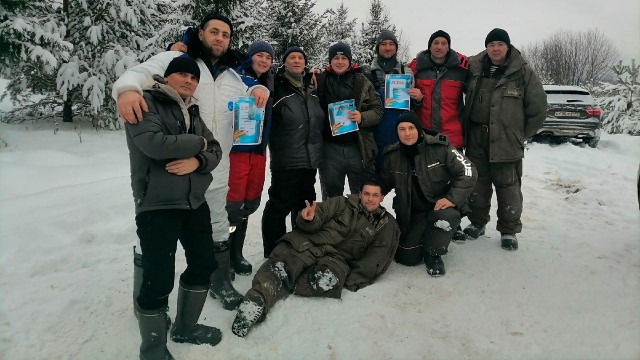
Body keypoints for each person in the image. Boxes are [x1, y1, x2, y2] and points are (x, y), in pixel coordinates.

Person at [113, 13, 269, 310]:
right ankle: (145, 297)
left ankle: (219, 281)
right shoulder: (178, 61)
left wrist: (257, 89)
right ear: (201, 34)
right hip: (166, 173)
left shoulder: (232, 75)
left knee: (218, 225)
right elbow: (139, 73)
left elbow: (248, 91)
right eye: (214, 31)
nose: (220, 38)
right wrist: (127, 90)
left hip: (213, 167)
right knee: (155, 238)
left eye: (225, 34)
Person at [125, 57, 223, 359]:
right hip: (157, 204)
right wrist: (198, 143)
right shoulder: (145, 103)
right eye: (182, 74)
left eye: (193, 78)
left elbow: (216, 149)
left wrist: (198, 160)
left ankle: (185, 327)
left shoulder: (192, 110)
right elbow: (154, 144)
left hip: (194, 202)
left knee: (204, 263)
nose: (189, 81)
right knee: (158, 277)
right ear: (166, 78)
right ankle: (153, 349)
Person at [232, 180, 400, 337]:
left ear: (382, 197)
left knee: (326, 281)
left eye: (375, 195)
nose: (370, 199)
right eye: (366, 194)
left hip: (337, 260)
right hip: (310, 243)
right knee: (280, 266)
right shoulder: (342, 203)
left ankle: (285, 281)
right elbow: (317, 213)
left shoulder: (385, 224)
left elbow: (377, 257)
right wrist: (309, 218)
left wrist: (353, 280)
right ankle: (256, 301)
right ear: (360, 194)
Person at [461, 28, 547, 250]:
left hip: (506, 139)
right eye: (491, 45)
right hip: (476, 137)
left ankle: (509, 230)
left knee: (508, 186)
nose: (495, 49)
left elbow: (538, 109)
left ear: (507, 47)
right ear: (486, 48)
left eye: (500, 44)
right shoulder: (474, 68)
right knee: (477, 183)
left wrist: (520, 135)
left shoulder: (522, 72)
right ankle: (477, 222)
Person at [381, 112, 477, 276]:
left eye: (411, 128)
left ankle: (434, 253)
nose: (407, 133)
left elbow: (468, 170)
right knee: (407, 258)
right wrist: (374, 195)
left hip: (440, 207)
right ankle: (423, 235)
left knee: (446, 217)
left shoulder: (439, 147)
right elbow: (382, 182)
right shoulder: (392, 155)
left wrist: (452, 198)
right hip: (412, 212)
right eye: (402, 129)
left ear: (418, 129)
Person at [261, 46, 325, 258]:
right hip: (286, 158)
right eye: (292, 57)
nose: (297, 60)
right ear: (284, 62)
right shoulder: (275, 84)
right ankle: (274, 252)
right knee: (279, 205)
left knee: (305, 205)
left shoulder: (312, 87)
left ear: (305, 63)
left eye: (300, 57)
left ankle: (300, 247)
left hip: (309, 158)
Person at [408, 30, 470, 242]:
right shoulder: (416, 68)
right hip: (425, 135)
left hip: (452, 135)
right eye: (436, 42)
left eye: (444, 43)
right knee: (429, 179)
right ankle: (428, 217)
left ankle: (456, 221)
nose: (439, 46)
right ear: (429, 46)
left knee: (454, 180)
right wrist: (415, 99)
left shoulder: (461, 70)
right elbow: (402, 96)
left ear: (449, 47)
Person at [226, 40, 276, 276]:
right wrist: (255, 88)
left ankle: (236, 252)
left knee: (248, 202)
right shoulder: (236, 75)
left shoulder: (268, 80)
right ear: (251, 56)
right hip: (237, 150)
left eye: (268, 57)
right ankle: (223, 256)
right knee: (232, 205)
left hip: (258, 149)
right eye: (260, 56)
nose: (264, 61)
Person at [315, 41, 383, 200]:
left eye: (344, 58)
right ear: (330, 61)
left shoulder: (362, 81)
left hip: (357, 146)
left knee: (361, 195)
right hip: (330, 147)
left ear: (350, 61)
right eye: (336, 58)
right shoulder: (320, 80)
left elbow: (378, 110)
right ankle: (333, 225)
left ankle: (360, 225)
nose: (340, 62)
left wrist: (362, 117)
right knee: (332, 197)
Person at [365, 30, 422, 177]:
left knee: (403, 180)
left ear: (396, 48)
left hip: (401, 134)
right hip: (376, 134)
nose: (388, 48)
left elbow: (412, 107)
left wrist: (417, 98)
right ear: (377, 47)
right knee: (375, 184)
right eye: (383, 44)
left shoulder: (406, 72)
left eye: (391, 44)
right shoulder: (366, 73)